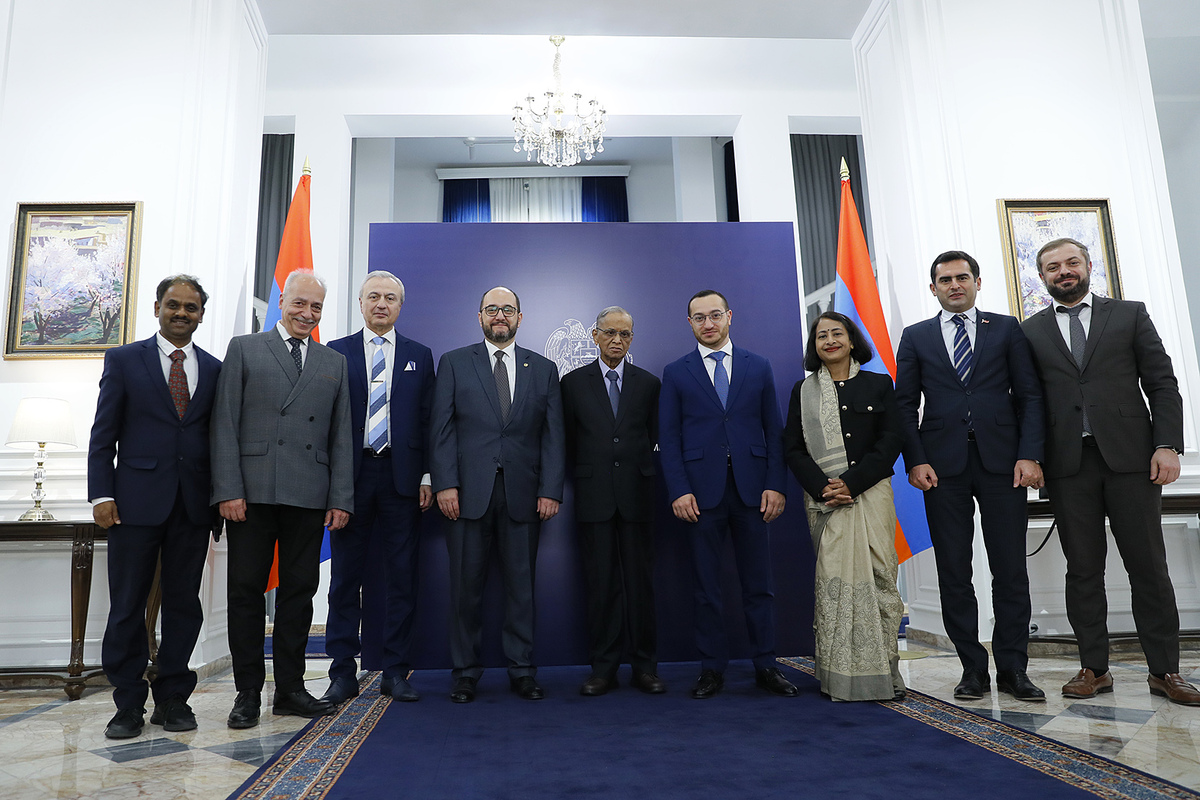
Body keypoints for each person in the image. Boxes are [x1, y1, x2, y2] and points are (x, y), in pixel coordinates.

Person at [1021, 237, 1200, 705]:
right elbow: (1028, 401)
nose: (1064, 271)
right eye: (1053, 267)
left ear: (1088, 266)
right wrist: (1031, 455)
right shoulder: (1029, 331)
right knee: (1082, 570)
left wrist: (1167, 445)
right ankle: (1094, 668)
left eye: (1072, 263)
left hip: (1132, 461)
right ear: (1042, 277)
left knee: (1149, 567)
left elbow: (1162, 383)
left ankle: (1165, 671)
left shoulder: (1129, 315)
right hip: (1067, 465)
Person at [894, 250, 1046, 702]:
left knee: (1010, 570)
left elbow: (1030, 396)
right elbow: (904, 406)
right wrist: (915, 460)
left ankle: (1013, 669)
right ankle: (973, 669)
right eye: (945, 280)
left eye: (962, 277)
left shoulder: (1006, 328)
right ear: (933, 288)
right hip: (941, 469)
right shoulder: (916, 336)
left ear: (978, 282)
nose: (955, 285)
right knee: (954, 571)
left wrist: (1030, 455)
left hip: (1004, 464)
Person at [210, 270, 354, 728]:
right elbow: (224, 424)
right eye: (299, 303)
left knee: (299, 593)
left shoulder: (333, 362)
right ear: (282, 302)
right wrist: (228, 489)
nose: (307, 314)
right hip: (251, 494)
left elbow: (341, 437)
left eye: (316, 307)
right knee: (246, 592)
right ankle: (248, 692)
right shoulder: (244, 348)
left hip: (309, 493)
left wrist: (341, 497)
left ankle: (291, 689)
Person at [88, 275, 222, 739]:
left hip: (193, 506)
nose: (181, 313)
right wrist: (101, 494)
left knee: (184, 604)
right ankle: (127, 703)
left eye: (191, 307)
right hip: (133, 504)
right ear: (157, 308)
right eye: (173, 305)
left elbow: (218, 439)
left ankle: (173, 699)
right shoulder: (125, 359)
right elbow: (103, 433)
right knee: (127, 604)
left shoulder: (215, 368)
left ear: (201, 314)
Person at [659, 289, 796, 700]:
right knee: (706, 588)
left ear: (729, 316)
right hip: (700, 496)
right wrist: (679, 490)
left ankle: (766, 665)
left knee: (759, 586)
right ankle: (711, 669)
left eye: (715, 315)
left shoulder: (759, 365)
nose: (709, 324)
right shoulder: (676, 372)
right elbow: (669, 437)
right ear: (689, 323)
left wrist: (776, 483)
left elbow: (773, 430)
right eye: (699, 318)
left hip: (754, 492)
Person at [430, 286, 565, 703]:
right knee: (464, 590)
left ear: (520, 317)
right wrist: (445, 483)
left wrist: (550, 489)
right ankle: (465, 673)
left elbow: (553, 436)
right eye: (492, 309)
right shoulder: (454, 363)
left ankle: (522, 670)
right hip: (466, 495)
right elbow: (441, 429)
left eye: (508, 309)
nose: (500, 316)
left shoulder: (543, 368)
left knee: (521, 589)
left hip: (524, 495)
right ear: (480, 317)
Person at [321, 271, 435, 706]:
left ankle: (395, 672)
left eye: (390, 298)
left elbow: (428, 421)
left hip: (402, 481)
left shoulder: (419, 355)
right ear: (361, 303)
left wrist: (427, 476)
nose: (381, 304)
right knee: (344, 579)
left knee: (401, 579)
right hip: (350, 480)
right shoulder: (337, 351)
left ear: (400, 306)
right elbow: (326, 421)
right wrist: (332, 485)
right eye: (373, 297)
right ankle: (341, 673)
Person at [783, 312, 905, 702]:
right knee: (835, 584)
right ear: (814, 346)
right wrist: (824, 488)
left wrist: (851, 483)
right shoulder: (803, 391)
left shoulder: (879, 384)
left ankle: (886, 672)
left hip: (871, 495)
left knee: (881, 579)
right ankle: (838, 677)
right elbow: (793, 448)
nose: (830, 340)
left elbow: (891, 440)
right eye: (822, 336)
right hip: (826, 502)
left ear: (852, 341)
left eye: (837, 333)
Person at [561, 306, 665, 696]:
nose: (617, 340)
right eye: (610, 333)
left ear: (632, 338)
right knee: (601, 586)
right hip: (594, 497)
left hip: (638, 496)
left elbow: (654, 437)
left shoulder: (649, 383)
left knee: (640, 586)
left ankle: (645, 668)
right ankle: (603, 669)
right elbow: (567, 441)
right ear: (595, 335)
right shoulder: (572, 383)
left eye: (624, 334)